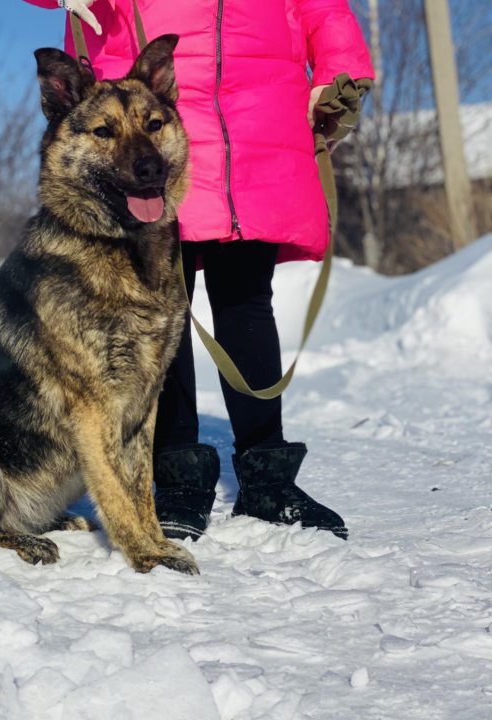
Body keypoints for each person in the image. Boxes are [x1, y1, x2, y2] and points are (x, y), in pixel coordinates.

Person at [24, 0, 375, 541]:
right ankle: (176, 475)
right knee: (158, 310)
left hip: (258, 118)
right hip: (139, 106)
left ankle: (267, 477)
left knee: (247, 296)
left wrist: (338, 72)